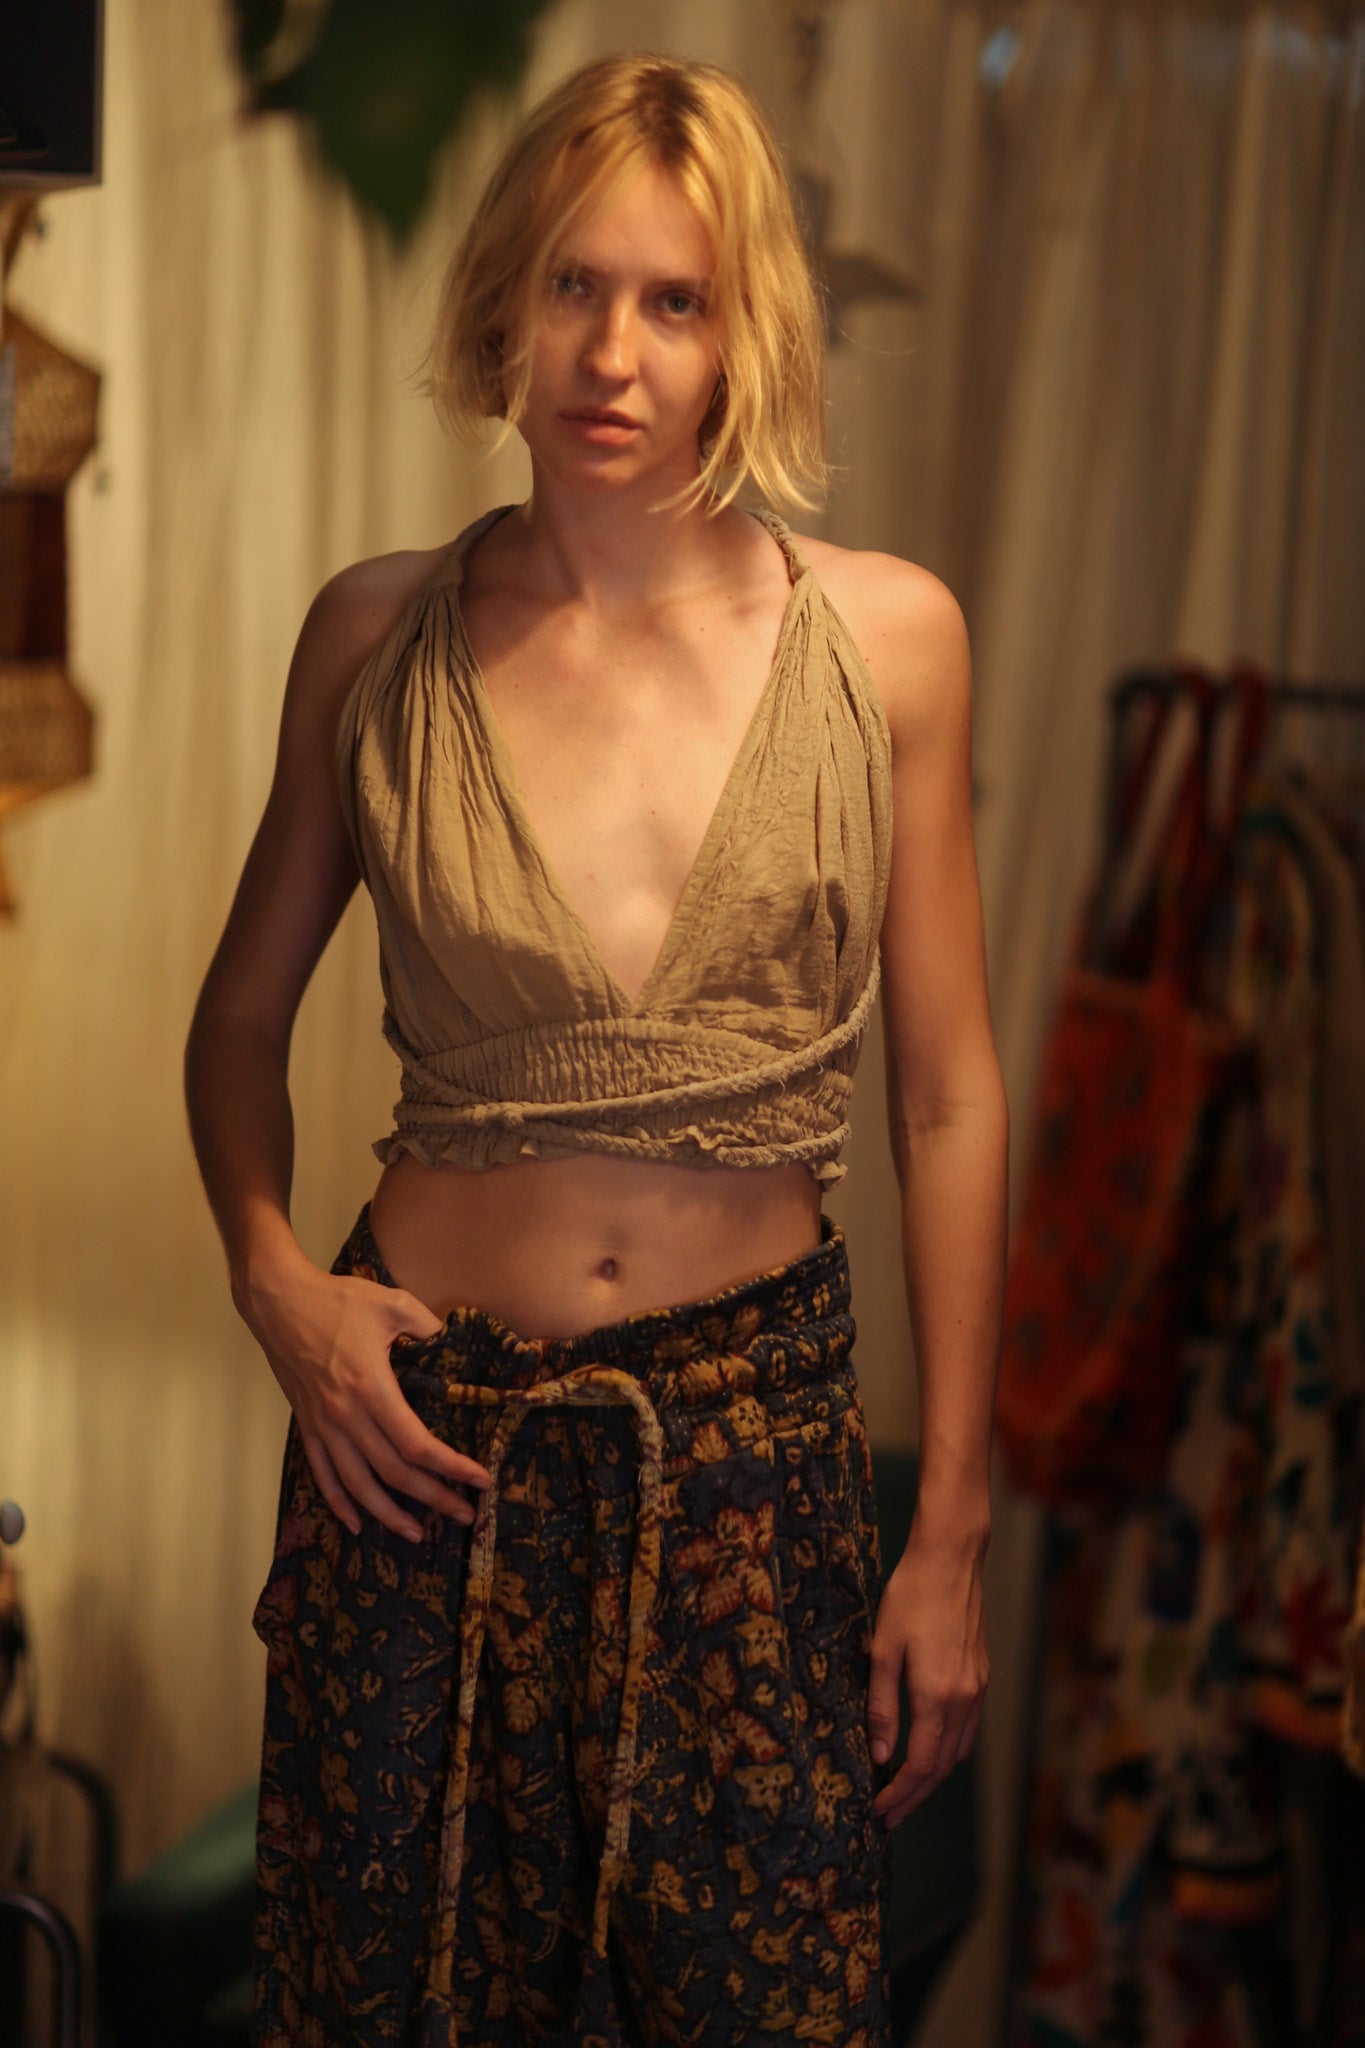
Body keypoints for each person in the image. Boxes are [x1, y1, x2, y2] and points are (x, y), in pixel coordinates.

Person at [185, 49, 1006, 2048]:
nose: (612, 353)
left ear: (742, 336)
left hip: (748, 1460)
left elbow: (946, 1095)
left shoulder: (885, 639)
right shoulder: (375, 635)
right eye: (573, 285)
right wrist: (278, 1288)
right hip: (417, 1450)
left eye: (673, 300)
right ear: (506, 300)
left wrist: (951, 1531)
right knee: (380, 2004)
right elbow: (237, 1023)